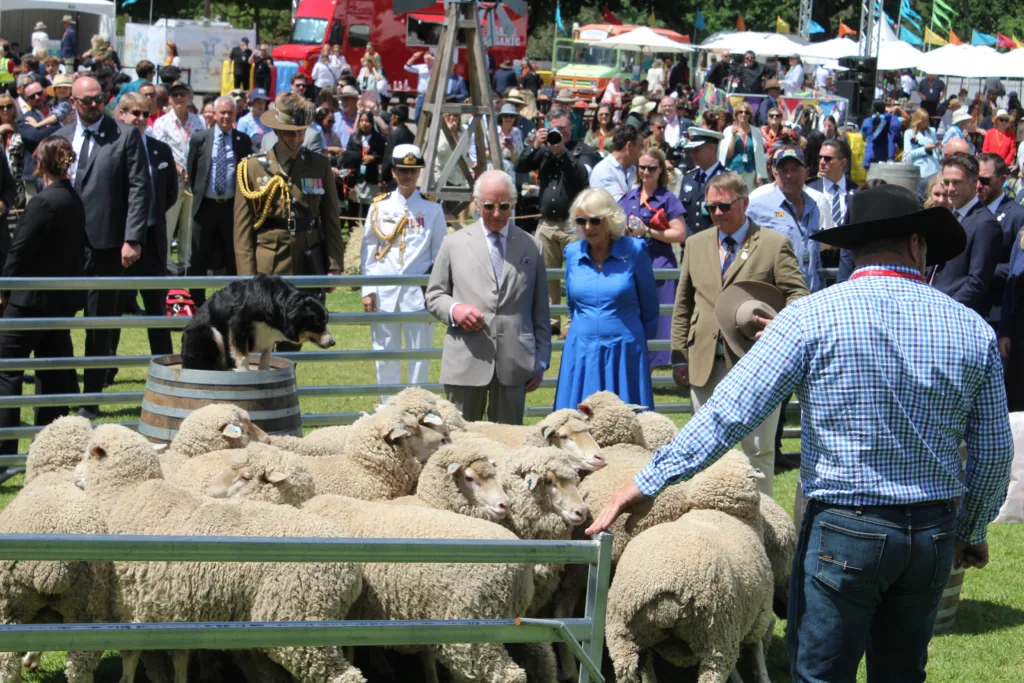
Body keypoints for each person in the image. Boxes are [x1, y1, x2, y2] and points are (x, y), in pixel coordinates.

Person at [586, 183, 1013, 683]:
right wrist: (973, 529)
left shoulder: (810, 317)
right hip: (930, 530)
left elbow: (729, 413)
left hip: (847, 525)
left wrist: (645, 483)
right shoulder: (970, 328)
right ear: (917, 244)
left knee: (821, 675)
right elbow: (994, 450)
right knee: (902, 674)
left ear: (854, 248)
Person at [666, 171, 809, 493]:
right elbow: (683, 303)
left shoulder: (774, 245)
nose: (717, 213)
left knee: (757, 451)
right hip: (704, 364)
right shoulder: (695, 243)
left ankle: (762, 527)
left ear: (744, 203)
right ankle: (713, 524)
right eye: (710, 208)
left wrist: (780, 325)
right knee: (705, 449)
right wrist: (679, 356)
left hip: (757, 364)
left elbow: (799, 295)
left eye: (725, 206)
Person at [56, 76, 149, 420]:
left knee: (99, 324)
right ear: (73, 102)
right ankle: (62, 391)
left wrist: (133, 238)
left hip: (108, 245)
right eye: (86, 101)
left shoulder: (124, 136)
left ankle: (90, 400)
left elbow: (140, 188)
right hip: (65, 247)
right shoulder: (62, 137)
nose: (94, 106)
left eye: (99, 100)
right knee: (58, 321)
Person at [425, 170, 551, 424]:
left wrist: (542, 360)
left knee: (508, 444)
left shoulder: (531, 246)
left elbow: (541, 311)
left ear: (513, 204)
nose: (496, 213)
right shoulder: (454, 244)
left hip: (516, 363)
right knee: (460, 442)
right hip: (465, 360)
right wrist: (455, 310)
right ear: (476, 202)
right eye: (489, 206)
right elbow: (434, 295)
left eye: (504, 206)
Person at [0, 135, 84, 454]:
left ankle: (5, 452)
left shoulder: (43, 202)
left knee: (7, 372)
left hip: (28, 304)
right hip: (58, 303)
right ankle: (51, 449)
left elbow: (18, 252)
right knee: (53, 374)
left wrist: (5, 290)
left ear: (40, 164)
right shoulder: (73, 200)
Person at [555, 187, 658, 409]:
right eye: (581, 221)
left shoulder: (635, 251)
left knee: (624, 425)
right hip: (581, 352)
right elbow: (573, 306)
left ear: (609, 220)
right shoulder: (572, 253)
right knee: (577, 426)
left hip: (625, 353)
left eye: (595, 220)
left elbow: (650, 308)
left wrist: (635, 345)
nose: (588, 227)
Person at [360, 144, 446, 402]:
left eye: (413, 170)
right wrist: (368, 289)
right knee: (385, 354)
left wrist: (436, 291)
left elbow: (441, 254)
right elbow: (369, 250)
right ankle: (388, 409)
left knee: (419, 356)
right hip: (384, 292)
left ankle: (416, 408)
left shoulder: (432, 208)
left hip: (418, 294)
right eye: (402, 170)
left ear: (419, 172)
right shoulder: (379, 206)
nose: (408, 176)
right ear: (393, 172)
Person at [234, 93, 344, 285]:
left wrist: (334, 264)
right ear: (276, 131)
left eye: (301, 132)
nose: (297, 138)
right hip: (270, 262)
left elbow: (331, 217)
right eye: (290, 132)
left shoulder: (319, 165)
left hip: (310, 259)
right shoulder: (251, 167)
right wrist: (246, 276)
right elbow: (242, 228)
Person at [108, 93, 176, 370]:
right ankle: (106, 367)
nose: (139, 119)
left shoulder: (160, 150)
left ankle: (166, 366)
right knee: (112, 307)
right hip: (118, 241)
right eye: (133, 113)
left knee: (156, 308)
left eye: (144, 114)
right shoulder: (110, 148)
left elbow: (170, 193)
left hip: (153, 240)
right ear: (120, 114)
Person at [516, 108, 592, 333]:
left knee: (574, 275)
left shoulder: (581, 150)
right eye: (554, 129)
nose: (560, 133)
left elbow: (582, 175)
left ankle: (572, 320)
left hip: (573, 226)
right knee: (547, 276)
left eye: (564, 128)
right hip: (547, 224)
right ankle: (552, 321)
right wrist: (536, 145)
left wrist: (562, 152)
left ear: (571, 128)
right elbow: (520, 165)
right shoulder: (544, 150)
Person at [618, 147, 687, 368]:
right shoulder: (628, 197)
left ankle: (652, 365)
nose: (646, 172)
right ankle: (637, 363)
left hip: (660, 264)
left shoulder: (667, 199)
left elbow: (680, 233)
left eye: (651, 168)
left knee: (660, 318)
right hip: (631, 264)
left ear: (660, 170)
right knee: (634, 314)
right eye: (642, 167)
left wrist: (647, 231)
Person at [186, 95, 252, 302]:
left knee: (233, 256)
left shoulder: (243, 141)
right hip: (205, 206)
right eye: (221, 112)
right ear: (214, 114)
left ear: (235, 114)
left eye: (229, 113)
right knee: (198, 257)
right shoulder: (200, 139)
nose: (225, 116)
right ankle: (196, 302)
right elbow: (193, 171)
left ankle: (234, 301)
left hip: (232, 208)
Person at [930, 153, 1001, 316]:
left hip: (956, 315)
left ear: (974, 182)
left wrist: (947, 310)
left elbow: (977, 282)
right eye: (946, 182)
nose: (949, 189)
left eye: (956, 182)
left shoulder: (985, 224)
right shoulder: (947, 217)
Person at [746, 147, 823, 292]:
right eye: (784, 170)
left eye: (795, 169)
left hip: (811, 295)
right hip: (777, 297)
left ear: (806, 173)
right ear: (775, 174)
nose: (789, 175)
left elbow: (815, 256)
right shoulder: (757, 207)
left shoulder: (813, 207)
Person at [152, 80, 205, 274]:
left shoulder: (199, 121)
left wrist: (193, 171)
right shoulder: (162, 123)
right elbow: (161, 151)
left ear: (189, 96)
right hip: (172, 181)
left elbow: (202, 149)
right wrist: (181, 170)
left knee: (189, 227)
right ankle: (167, 265)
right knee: (169, 225)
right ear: (170, 99)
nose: (179, 98)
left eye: (183, 94)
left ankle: (185, 264)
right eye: (175, 95)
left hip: (193, 181)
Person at [15, 80, 60, 204]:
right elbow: (35, 137)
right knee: (36, 216)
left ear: (45, 92)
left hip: (61, 172)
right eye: (32, 96)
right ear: (26, 99)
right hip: (35, 175)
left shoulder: (60, 112)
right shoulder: (24, 120)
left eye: (39, 93)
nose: (37, 97)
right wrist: (59, 126)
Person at [678, 127, 728, 236]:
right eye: (691, 150)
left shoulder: (727, 179)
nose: (692, 154)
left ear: (711, 149)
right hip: (689, 242)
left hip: (716, 241)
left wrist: (704, 239)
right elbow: (681, 212)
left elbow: (727, 215)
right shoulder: (688, 178)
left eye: (697, 150)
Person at [340, 110, 386, 218]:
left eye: (367, 121)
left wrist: (373, 157)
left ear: (372, 123)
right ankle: (353, 231)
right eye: (361, 120)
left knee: (368, 209)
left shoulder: (378, 138)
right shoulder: (354, 137)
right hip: (356, 178)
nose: (364, 123)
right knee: (353, 207)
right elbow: (348, 157)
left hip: (371, 177)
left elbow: (383, 156)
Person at [719, 101, 766, 189]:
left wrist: (758, 174)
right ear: (736, 114)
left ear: (750, 116)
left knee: (748, 198)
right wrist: (733, 136)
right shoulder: (728, 131)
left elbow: (758, 156)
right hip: (733, 171)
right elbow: (728, 155)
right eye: (740, 112)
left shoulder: (756, 132)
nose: (743, 114)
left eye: (746, 112)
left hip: (750, 172)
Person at [589, 124, 642, 202]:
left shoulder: (633, 169)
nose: (643, 152)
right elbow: (619, 206)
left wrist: (628, 197)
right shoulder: (603, 171)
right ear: (629, 146)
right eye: (640, 147)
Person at [0, 93, 25, 210]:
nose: (5, 110)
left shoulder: (21, 126)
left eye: (9, 106)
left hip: (18, 179)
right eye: (1, 107)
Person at [903, 108, 941, 180]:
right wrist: (924, 149)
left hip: (935, 168)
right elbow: (908, 155)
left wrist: (939, 149)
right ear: (918, 121)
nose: (926, 123)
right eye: (924, 121)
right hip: (921, 169)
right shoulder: (909, 133)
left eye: (927, 120)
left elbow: (937, 152)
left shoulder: (931, 131)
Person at [405, 51, 433, 123]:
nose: (426, 61)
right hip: (421, 96)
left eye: (428, 59)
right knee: (417, 117)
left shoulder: (438, 67)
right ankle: (419, 133)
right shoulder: (421, 67)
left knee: (433, 117)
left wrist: (432, 58)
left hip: (433, 96)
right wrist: (413, 57)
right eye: (425, 59)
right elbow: (407, 67)